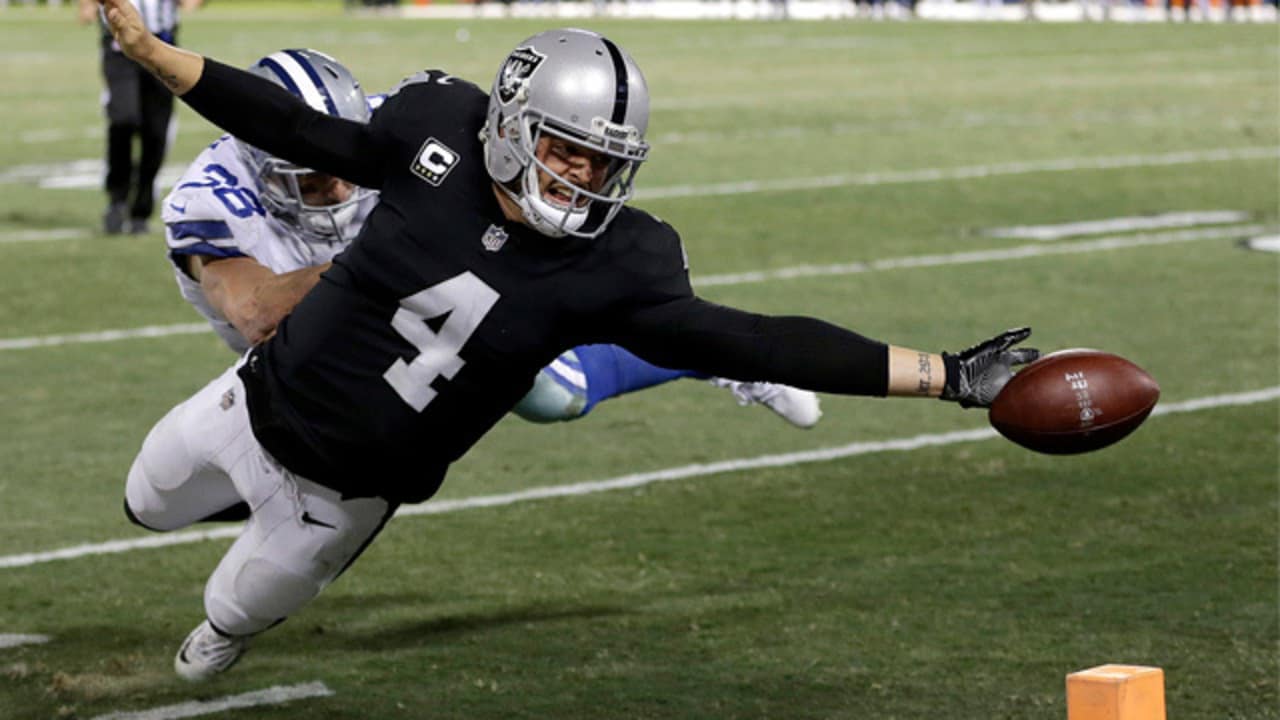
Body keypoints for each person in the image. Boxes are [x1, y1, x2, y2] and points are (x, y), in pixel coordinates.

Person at [100, 1, 1039, 683]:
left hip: (343, 499)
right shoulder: (434, 137)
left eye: (606, 161)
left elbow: (761, 338)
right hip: (248, 406)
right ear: (509, 124)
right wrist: (152, 54)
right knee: (143, 502)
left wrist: (951, 375)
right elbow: (291, 124)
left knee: (218, 631)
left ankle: (227, 634)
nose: (586, 179)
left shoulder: (619, 261)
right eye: (567, 150)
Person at [162, 48, 822, 430]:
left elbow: (491, 141)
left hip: (406, 303)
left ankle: (717, 353)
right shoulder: (210, 198)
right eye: (314, 181)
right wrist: (407, 251)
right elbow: (257, 312)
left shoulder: (389, 119)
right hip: (345, 322)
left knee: (552, 396)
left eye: (342, 169)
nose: (339, 190)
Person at [79, 0, 201, 235]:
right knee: (123, 118)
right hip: (119, 48)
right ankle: (117, 199)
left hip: (162, 48)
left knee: (156, 131)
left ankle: (141, 209)